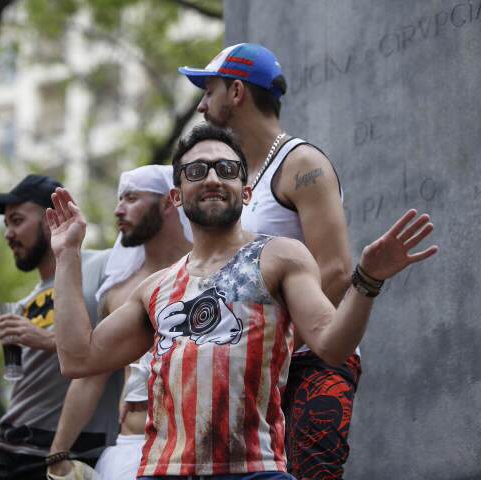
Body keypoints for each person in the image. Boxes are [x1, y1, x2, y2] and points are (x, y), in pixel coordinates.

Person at [46, 124, 437, 479]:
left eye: (227, 169)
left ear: (246, 191)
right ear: (177, 196)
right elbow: (78, 358)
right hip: (160, 471)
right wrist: (67, 255)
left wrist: (367, 280)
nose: (213, 178)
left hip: (254, 471)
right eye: (197, 171)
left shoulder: (281, 256)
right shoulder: (155, 288)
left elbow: (332, 346)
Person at [179, 43, 360, 478]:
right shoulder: (236, 174)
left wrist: (279, 349)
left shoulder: (301, 163)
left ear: (237, 91)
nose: (202, 105)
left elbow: (335, 270)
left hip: (314, 357)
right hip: (254, 363)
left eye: (209, 90)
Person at [0, 174, 123, 480]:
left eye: (17, 220)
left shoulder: (105, 266)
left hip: (65, 448)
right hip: (7, 442)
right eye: (6, 225)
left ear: (52, 217)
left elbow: (120, 346)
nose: (8, 233)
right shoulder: (25, 303)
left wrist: (46, 340)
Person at [45, 165, 193, 480]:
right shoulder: (119, 290)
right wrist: (57, 455)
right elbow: (89, 376)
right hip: (127, 449)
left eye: (131, 198)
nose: (118, 210)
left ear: (169, 202)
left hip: (192, 450)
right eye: (119, 199)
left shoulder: (207, 274)